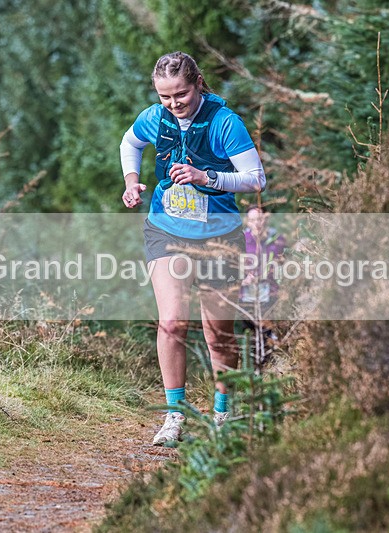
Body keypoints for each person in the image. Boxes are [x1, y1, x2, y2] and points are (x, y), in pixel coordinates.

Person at [120, 51, 266, 445]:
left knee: (218, 334)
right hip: (166, 231)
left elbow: (256, 179)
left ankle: (223, 413)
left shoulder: (224, 122)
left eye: (181, 94)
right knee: (172, 323)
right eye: (165, 96)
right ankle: (175, 416)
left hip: (219, 237)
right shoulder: (155, 117)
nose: (174, 103)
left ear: (198, 83)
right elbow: (130, 142)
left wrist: (207, 177)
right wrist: (131, 181)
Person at [240, 205, 286, 365]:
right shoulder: (242, 240)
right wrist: (243, 279)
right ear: (247, 222)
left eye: (259, 219)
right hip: (247, 296)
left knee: (268, 332)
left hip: (271, 294)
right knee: (253, 334)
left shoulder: (277, 240)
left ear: (266, 219)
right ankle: (254, 368)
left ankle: (270, 366)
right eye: (252, 220)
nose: (257, 223)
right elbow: (231, 267)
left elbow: (286, 263)